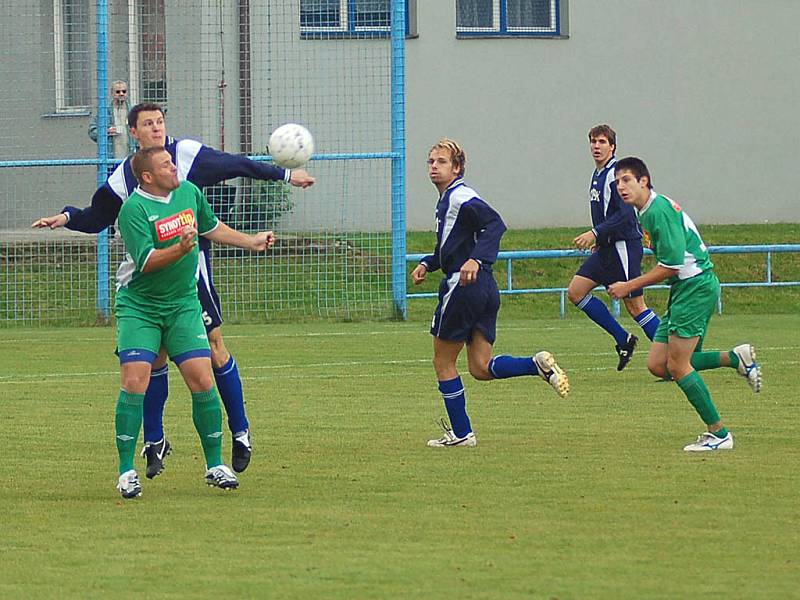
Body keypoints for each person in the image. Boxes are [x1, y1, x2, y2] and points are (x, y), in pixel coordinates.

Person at [32, 102, 315, 477]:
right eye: (147, 124)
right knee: (154, 360)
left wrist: (282, 174)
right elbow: (98, 216)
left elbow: (235, 164)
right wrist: (67, 217)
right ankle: (156, 440)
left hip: (190, 277)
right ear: (133, 133)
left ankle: (240, 430)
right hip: (149, 285)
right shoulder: (126, 178)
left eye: (160, 122)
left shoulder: (185, 156)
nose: (156, 129)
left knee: (213, 349)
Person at [114, 146, 276, 497]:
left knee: (203, 379)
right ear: (147, 177)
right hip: (140, 306)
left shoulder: (188, 193)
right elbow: (146, 261)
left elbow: (211, 226)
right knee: (134, 380)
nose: (174, 167)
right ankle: (127, 471)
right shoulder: (133, 210)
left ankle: (215, 464)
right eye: (165, 165)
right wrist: (182, 248)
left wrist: (251, 242)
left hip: (183, 304)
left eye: (172, 162)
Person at [412, 139, 570, 448]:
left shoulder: (461, 196)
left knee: (443, 363)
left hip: (464, 285)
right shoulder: (447, 201)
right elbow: (452, 245)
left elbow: (495, 224)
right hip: (483, 286)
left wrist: (477, 258)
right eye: (431, 161)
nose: (433, 166)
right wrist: (427, 263)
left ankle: (461, 433)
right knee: (481, 368)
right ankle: (534, 365)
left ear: (457, 168)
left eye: (441, 161)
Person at [608, 157, 762, 452]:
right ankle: (735, 358)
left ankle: (719, 434)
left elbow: (671, 265)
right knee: (657, 365)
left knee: (678, 365)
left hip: (695, 286)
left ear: (644, 181)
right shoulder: (646, 211)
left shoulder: (658, 211)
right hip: (685, 288)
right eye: (617, 182)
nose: (621, 187)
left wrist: (628, 286)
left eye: (626, 180)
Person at [568, 125, 661, 371]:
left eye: (602, 142)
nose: (596, 146)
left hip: (623, 247)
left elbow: (625, 215)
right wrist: (599, 241)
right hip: (607, 248)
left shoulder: (616, 176)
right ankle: (623, 339)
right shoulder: (597, 174)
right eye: (593, 142)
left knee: (636, 306)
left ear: (612, 146)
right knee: (576, 292)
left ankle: (675, 357)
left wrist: (595, 233)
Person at [88, 80, 137, 159]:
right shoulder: (104, 112)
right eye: (118, 92)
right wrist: (106, 131)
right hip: (110, 159)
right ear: (112, 93)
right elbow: (92, 131)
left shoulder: (133, 111)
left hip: (130, 158)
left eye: (124, 91)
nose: (121, 94)